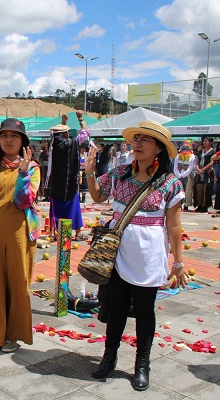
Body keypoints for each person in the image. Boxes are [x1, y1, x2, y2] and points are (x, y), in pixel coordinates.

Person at [84, 121, 187, 391]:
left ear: (159, 149)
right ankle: (109, 356)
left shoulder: (170, 183)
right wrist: (90, 172)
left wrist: (178, 262)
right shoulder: (119, 173)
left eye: (145, 140)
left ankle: (142, 364)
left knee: (144, 310)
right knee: (116, 307)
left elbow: (174, 225)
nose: (137, 144)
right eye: (136, 139)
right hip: (118, 252)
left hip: (149, 255)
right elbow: (97, 196)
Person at [0, 118, 40, 352]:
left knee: (17, 281)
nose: (9, 140)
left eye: (14, 136)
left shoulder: (32, 168)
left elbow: (24, 201)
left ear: (23, 141)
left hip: (19, 231)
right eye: (4, 135)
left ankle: (13, 335)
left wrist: (23, 173)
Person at [44, 112, 90, 241]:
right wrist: (81, 119)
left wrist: (63, 123)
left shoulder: (52, 145)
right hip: (70, 183)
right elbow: (85, 133)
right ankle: (78, 232)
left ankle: (53, 233)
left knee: (55, 208)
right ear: (65, 134)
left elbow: (59, 135)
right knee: (73, 206)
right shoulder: (72, 143)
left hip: (56, 183)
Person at [173, 140, 197, 211]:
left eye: (187, 146)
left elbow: (191, 167)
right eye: (184, 146)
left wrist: (184, 174)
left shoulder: (192, 156)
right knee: (178, 190)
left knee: (187, 190)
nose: (185, 148)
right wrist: (178, 175)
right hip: (178, 175)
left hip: (188, 175)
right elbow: (175, 167)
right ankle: (179, 204)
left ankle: (186, 204)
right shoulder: (178, 156)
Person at [195, 137, 214, 213]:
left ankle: (205, 205)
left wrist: (204, 169)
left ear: (210, 143)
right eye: (204, 141)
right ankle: (199, 205)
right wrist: (198, 169)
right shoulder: (200, 152)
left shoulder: (212, 152)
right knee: (199, 189)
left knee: (206, 189)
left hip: (207, 172)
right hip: (200, 172)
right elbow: (197, 161)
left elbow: (212, 162)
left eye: (206, 141)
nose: (204, 143)